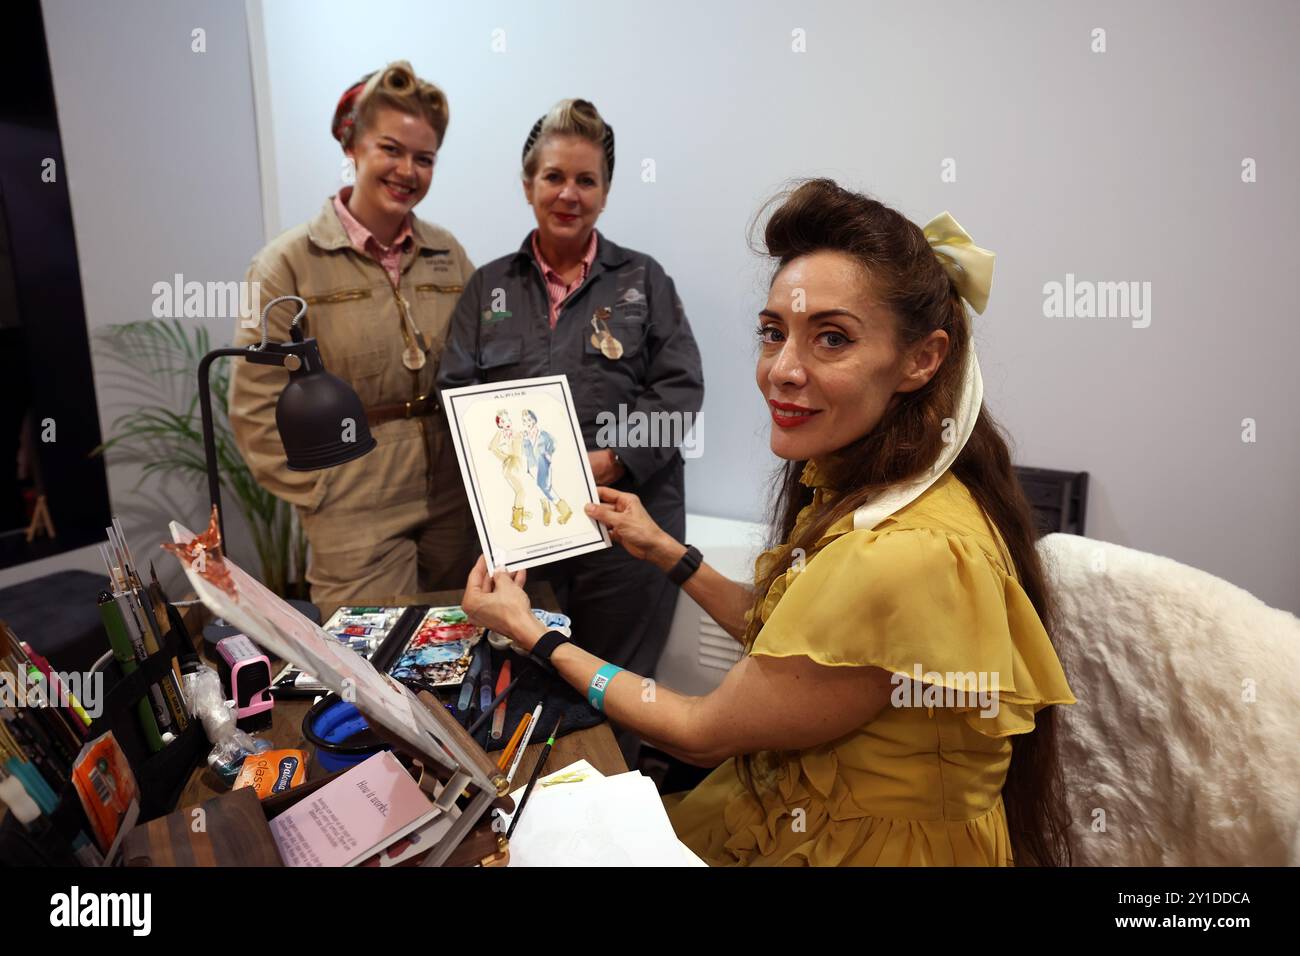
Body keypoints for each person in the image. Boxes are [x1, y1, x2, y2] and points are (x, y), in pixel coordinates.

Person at [461, 179, 1077, 866]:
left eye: (832, 339)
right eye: (773, 333)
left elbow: (699, 730)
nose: (781, 370)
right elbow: (796, 642)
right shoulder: (870, 486)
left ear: (922, 359)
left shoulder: (908, 551)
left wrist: (529, 631)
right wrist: (667, 551)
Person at [437, 98, 704, 681]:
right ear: (529, 184)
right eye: (554, 177)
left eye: (587, 180)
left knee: (619, 688)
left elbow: (679, 389)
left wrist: (614, 460)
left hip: (623, 531)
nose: (569, 193)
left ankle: (622, 776)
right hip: (523, 532)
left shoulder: (643, 280)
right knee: (520, 681)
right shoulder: (489, 289)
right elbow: (455, 389)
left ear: (605, 193)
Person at [229, 61, 478, 607]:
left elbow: (482, 367)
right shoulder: (286, 264)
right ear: (354, 148)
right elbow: (253, 409)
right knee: (369, 665)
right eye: (390, 149)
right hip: (352, 502)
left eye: (424, 158)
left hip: (453, 500)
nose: (407, 170)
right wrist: (322, 492)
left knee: (460, 652)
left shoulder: (449, 254)